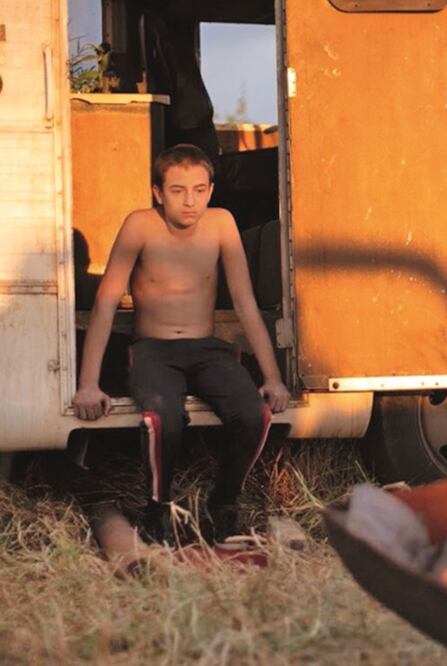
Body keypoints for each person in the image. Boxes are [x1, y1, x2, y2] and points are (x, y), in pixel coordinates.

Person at [72, 144, 290, 545]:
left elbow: (244, 303)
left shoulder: (221, 223)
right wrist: (89, 384)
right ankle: (158, 510)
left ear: (210, 190)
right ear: (158, 192)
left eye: (199, 189)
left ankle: (223, 503)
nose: (190, 201)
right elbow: (105, 302)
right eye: (177, 190)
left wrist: (273, 377)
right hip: (153, 350)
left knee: (254, 414)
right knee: (161, 417)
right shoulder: (140, 225)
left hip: (206, 348)